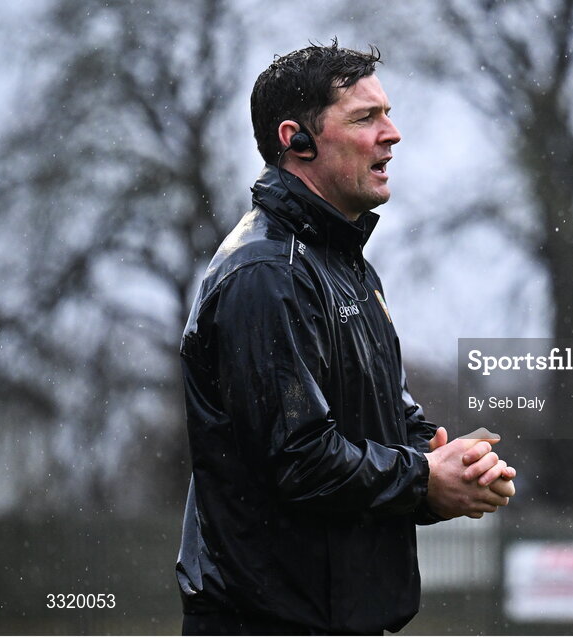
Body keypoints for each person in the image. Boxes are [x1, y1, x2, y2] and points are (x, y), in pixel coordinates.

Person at [175, 39, 516, 635]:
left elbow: (383, 423)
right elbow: (299, 460)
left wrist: (444, 463)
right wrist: (423, 478)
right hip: (268, 623)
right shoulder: (266, 275)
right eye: (366, 117)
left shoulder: (345, 266)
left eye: (387, 113)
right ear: (295, 139)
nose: (393, 133)